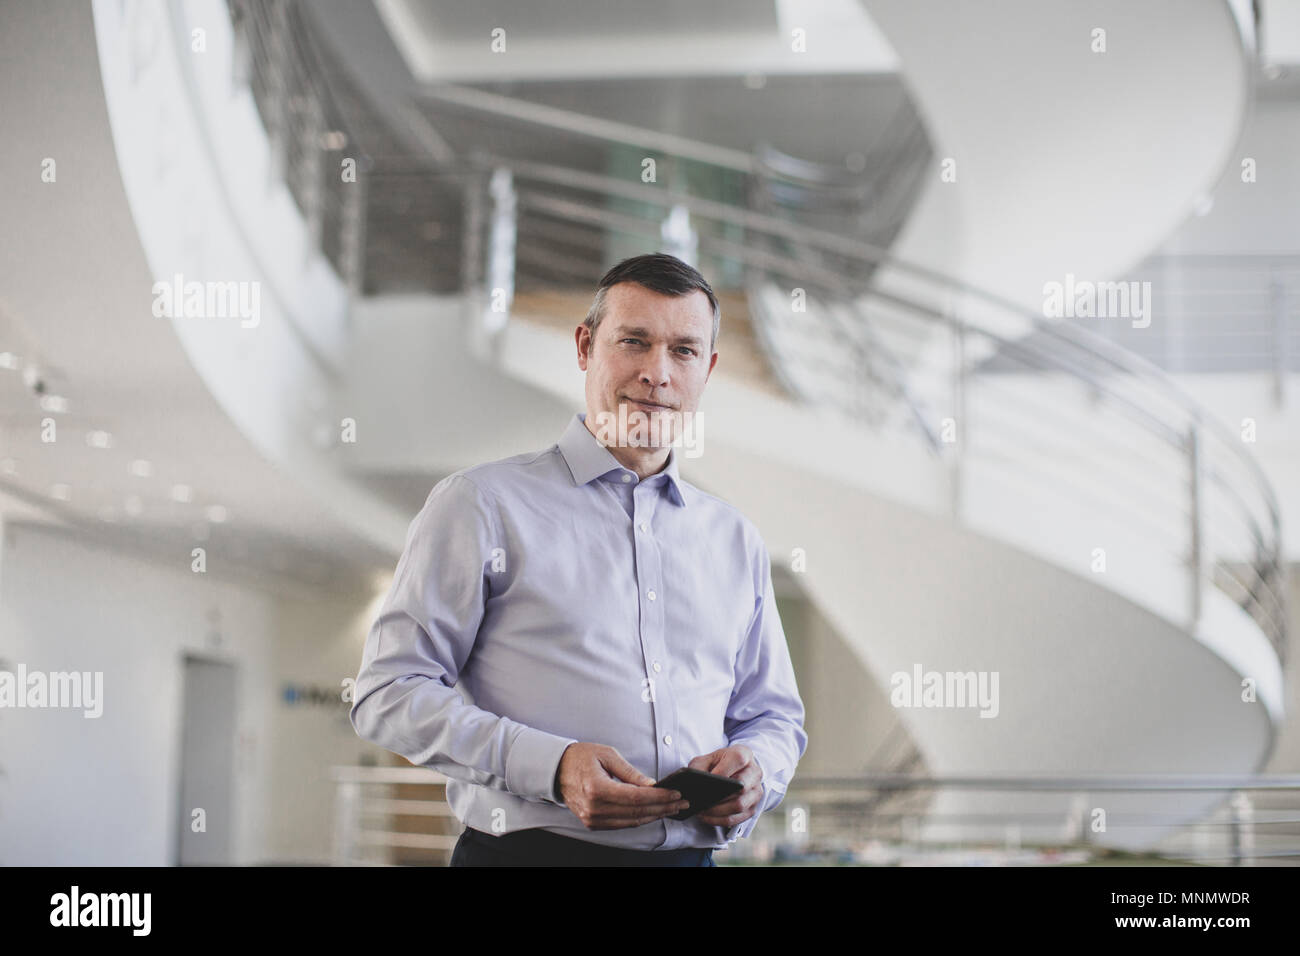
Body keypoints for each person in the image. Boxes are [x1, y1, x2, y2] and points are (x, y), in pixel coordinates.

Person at [350, 252, 807, 866]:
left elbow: (773, 717)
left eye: (684, 351)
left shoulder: (735, 539)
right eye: (634, 342)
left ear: (709, 369)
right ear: (586, 346)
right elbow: (387, 691)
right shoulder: (481, 505)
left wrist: (760, 771)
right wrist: (552, 766)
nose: (657, 373)